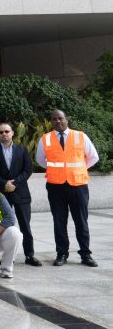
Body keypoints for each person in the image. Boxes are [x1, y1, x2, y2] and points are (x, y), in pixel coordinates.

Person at [36, 109, 99, 267]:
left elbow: (93, 157)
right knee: (59, 221)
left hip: (78, 185)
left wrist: (79, 170)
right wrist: (58, 171)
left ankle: (85, 254)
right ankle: (61, 254)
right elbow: (40, 160)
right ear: (51, 121)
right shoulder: (46, 138)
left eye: (60, 118)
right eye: (54, 119)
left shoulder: (80, 136)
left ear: (66, 119)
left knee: (81, 221)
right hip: (56, 186)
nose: (58, 121)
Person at [0, 122, 40, 267]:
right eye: (1, 132)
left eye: (7, 131)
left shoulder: (21, 150)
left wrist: (14, 183)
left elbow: (28, 170)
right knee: (2, 226)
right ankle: (7, 257)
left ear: (12, 133)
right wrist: (4, 184)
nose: (4, 134)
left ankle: (29, 255)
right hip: (1, 193)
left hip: (21, 193)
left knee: (25, 226)